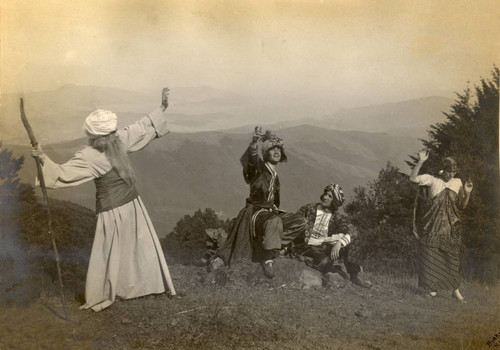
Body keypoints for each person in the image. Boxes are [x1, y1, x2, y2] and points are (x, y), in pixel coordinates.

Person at [31, 94, 177, 312]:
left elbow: (61, 174)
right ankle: (135, 285)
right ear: (109, 132)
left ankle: (124, 287)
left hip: (119, 207)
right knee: (134, 247)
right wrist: (161, 108)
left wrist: (42, 158)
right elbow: (140, 127)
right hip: (125, 205)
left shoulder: (93, 153)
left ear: (92, 135)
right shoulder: (115, 143)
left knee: (115, 250)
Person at [210, 127, 306, 278]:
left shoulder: (275, 175)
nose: (276, 152)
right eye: (272, 149)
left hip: (271, 214)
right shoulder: (259, 169)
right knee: (275, 221)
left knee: (300, 221)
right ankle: (267, 257)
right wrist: (254, 142)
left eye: (279, 149)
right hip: (256, 213)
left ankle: (269, 247)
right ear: (266, 152)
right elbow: (251, 162)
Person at [410, 150, 473, 303]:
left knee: (451, 258)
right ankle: (432, 290)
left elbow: (462, 206)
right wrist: (420, 162)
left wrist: (467, 193)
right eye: (448, 171)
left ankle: (455, 291)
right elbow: (412, 179)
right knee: (431, 257)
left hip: (451, 227)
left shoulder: (457, 182)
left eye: (453, 172)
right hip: (432, 226)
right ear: (442, 169)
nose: (451, 175)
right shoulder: (432, 180)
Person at [294, 182, 370, 288]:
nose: (325, 197)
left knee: (352, 238)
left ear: (335, 201)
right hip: (307, 246)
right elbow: (293, 223)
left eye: (329, 196)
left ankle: (354, 276)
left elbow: (353, 231)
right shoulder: (309, 209)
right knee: (323, 261)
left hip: (324, 247)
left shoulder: (336, 218)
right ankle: (325, 270)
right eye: (325, 194)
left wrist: (339, 242)